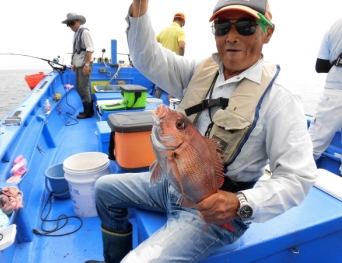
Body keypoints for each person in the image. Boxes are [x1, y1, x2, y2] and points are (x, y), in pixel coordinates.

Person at [85, 0, 318, 262]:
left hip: (214, 209)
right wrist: (140, 6)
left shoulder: (281, 99)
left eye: (245, 26)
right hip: (172, 184)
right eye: (221, 27)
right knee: (103, 188)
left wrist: (238, 203)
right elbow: (146, 58)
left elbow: (297, 178)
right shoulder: (200, 70)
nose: (231, 36)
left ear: (268, 32)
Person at [308, 17, 342, 160]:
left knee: (311, 148)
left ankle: (291, 178)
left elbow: (320, 66)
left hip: (335, 93)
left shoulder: (336, 25)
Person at [62, 13, 95, 119]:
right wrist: (73, 64)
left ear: (79, 22)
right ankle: (87, 109)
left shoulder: (85, 32)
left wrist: (87, 64)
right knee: (78, 86)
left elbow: (90, 49)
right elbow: (76, 52)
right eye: (68, 24)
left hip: (84, 65)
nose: (70, 26)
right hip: (78, 65)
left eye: (72, 23)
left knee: (83, 87)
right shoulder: (76, 35)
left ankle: (88, 112)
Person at [155, 12, 186, 104]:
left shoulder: (164, 30)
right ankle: (170, 109)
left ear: (174, 20)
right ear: (183, 22)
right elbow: (181, 46)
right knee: (172, 88)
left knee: (159, 87)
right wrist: (181, 59)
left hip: (161, 62)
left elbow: (153, 42)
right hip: (173, 63)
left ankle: (155, 106)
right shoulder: (180, 31)